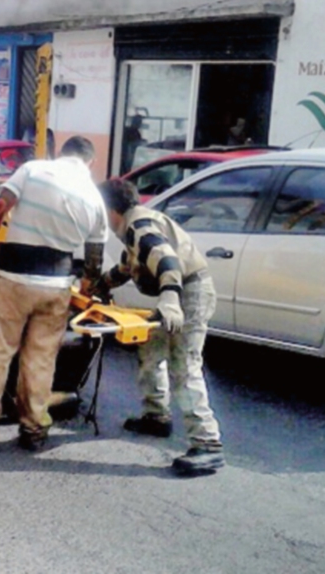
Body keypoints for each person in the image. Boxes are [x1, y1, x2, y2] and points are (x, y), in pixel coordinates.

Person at [0, 136, 108, 453]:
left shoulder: (33, 170)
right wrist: (90, 291)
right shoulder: (94, 197)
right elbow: (93, 261)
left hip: (13, 279)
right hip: (58, 286)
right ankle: (34, 429)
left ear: (59, 154)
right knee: (41, 360)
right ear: (89, 163)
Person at [92, 178, 225, 475]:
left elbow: (166, 259)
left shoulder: (139, 226)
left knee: (184, 365)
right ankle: (156, 416)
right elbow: (128, 265)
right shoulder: (136, 226)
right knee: (151, 352)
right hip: (181, 292)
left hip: (188, 293)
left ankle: (208, 444)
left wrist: (169, 299)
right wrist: (100, 285)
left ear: (110, 209)